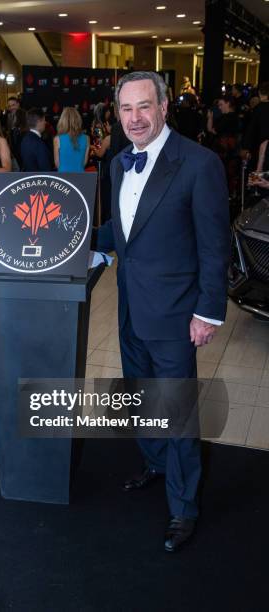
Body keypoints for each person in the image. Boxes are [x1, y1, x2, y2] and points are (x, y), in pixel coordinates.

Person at [96, 71, 230, 552]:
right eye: (126, 109)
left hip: (175, 315)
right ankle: (155, 464)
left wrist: (208, 312)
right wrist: (77, 243)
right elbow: (121, 226)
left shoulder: (199, 164)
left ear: (165, 107)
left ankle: (184, 507)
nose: (135, 118)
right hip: (131, 308)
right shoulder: (117, 163)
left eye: (144, 107)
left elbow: (215, 247)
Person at [53, 107, 89, 172]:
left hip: (63, 178)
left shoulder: (57, 139)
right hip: (80, 176)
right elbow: (84, 163)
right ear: (78, 120)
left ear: (62, 120)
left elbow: (57, 164)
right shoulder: (86, 138)